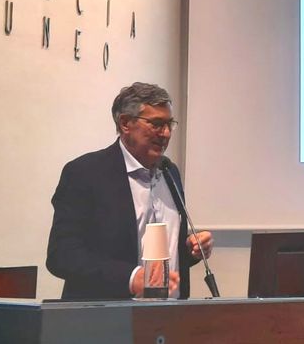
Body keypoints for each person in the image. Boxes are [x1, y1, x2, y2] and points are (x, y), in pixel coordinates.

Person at [46, 82, 214, 300]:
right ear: (125, 123)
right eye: (156, 124)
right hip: (108, 315)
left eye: (169, 124)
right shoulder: (85, 173)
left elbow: (159, 252)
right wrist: (131, 277)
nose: (165, 133)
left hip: (170, 314)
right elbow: (62, 255)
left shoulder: (170, 171)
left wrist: (190, 250)